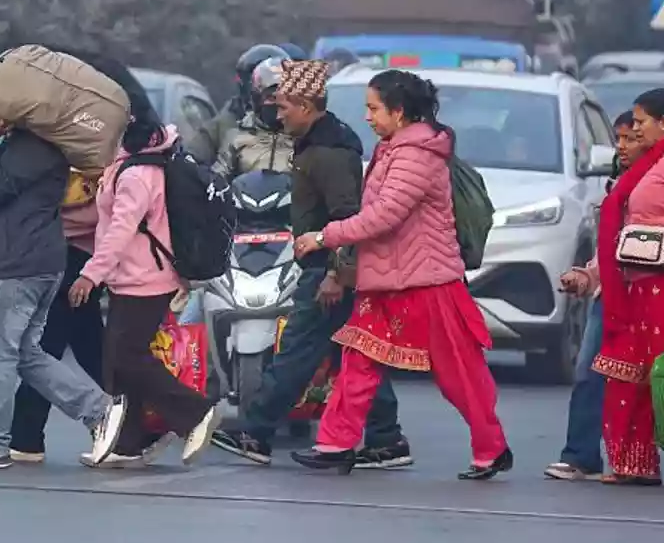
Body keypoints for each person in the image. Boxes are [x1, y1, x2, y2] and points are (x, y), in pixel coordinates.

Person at [291, 70, 512, 479]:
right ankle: (335, 443)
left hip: (428, 282)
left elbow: (384, 216)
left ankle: (491, 447)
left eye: (374, 109)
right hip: (388, 280)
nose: (369, 117)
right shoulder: (393, 148)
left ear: (400, 111)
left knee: (458, 373)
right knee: (357, 359)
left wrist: (324, 236)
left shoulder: (418, 155)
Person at [213, 60, 412, 468]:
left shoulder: (330, 154)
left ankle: (256, 432)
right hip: (324, 267)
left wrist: (337, 274)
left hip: (328, 271)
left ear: (306, 105)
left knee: (297, 351)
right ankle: (387, 440)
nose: (278, 113)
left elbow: (348, 219)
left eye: (285, 106)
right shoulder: (314, 143)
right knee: (353, 355)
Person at [0, 112, 125, 470]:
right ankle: (99, 410)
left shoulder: (29, 150)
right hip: (39, 262)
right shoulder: (45, 148)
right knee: (27, 355)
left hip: (14, 265)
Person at [562, 89, 664, 486]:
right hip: (632, 284)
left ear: (663, 123)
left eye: (639, 122)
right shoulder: (647, 163)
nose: (633, 130)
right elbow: (622, 231)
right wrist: (592, 275)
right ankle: (635, 464)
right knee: (623, 374)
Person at [70, 113, 220, 468]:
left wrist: (90, 275)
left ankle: (195, 413)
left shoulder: (137, 174)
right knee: (117, 363)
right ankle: (128, 443)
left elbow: (120, 230)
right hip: (134, 277)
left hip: (145, 280)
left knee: (127, 357)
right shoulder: (136, 164)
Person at [545, 111, 638, 481]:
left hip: (657, 291)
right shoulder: (618, 181)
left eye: (632, 137)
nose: (623, 145)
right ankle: (581, 455)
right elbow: (609, 247)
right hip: (610, 291)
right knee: (589, 372)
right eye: (619, 138)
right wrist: (586, 276)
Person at [10, 168, 107, 463]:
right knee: (92, 348)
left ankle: (26, 439)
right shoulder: (93, 150)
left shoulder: (88, 154)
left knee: (44, 349)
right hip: (81, 256)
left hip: (73, 257)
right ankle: (140, 421)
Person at [215, 48, 295, 178]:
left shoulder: (306, 139)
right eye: (271, 97)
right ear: (258, 100)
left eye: (284, 97)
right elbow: (218, 178)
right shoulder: (237, 136)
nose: (278, 104)